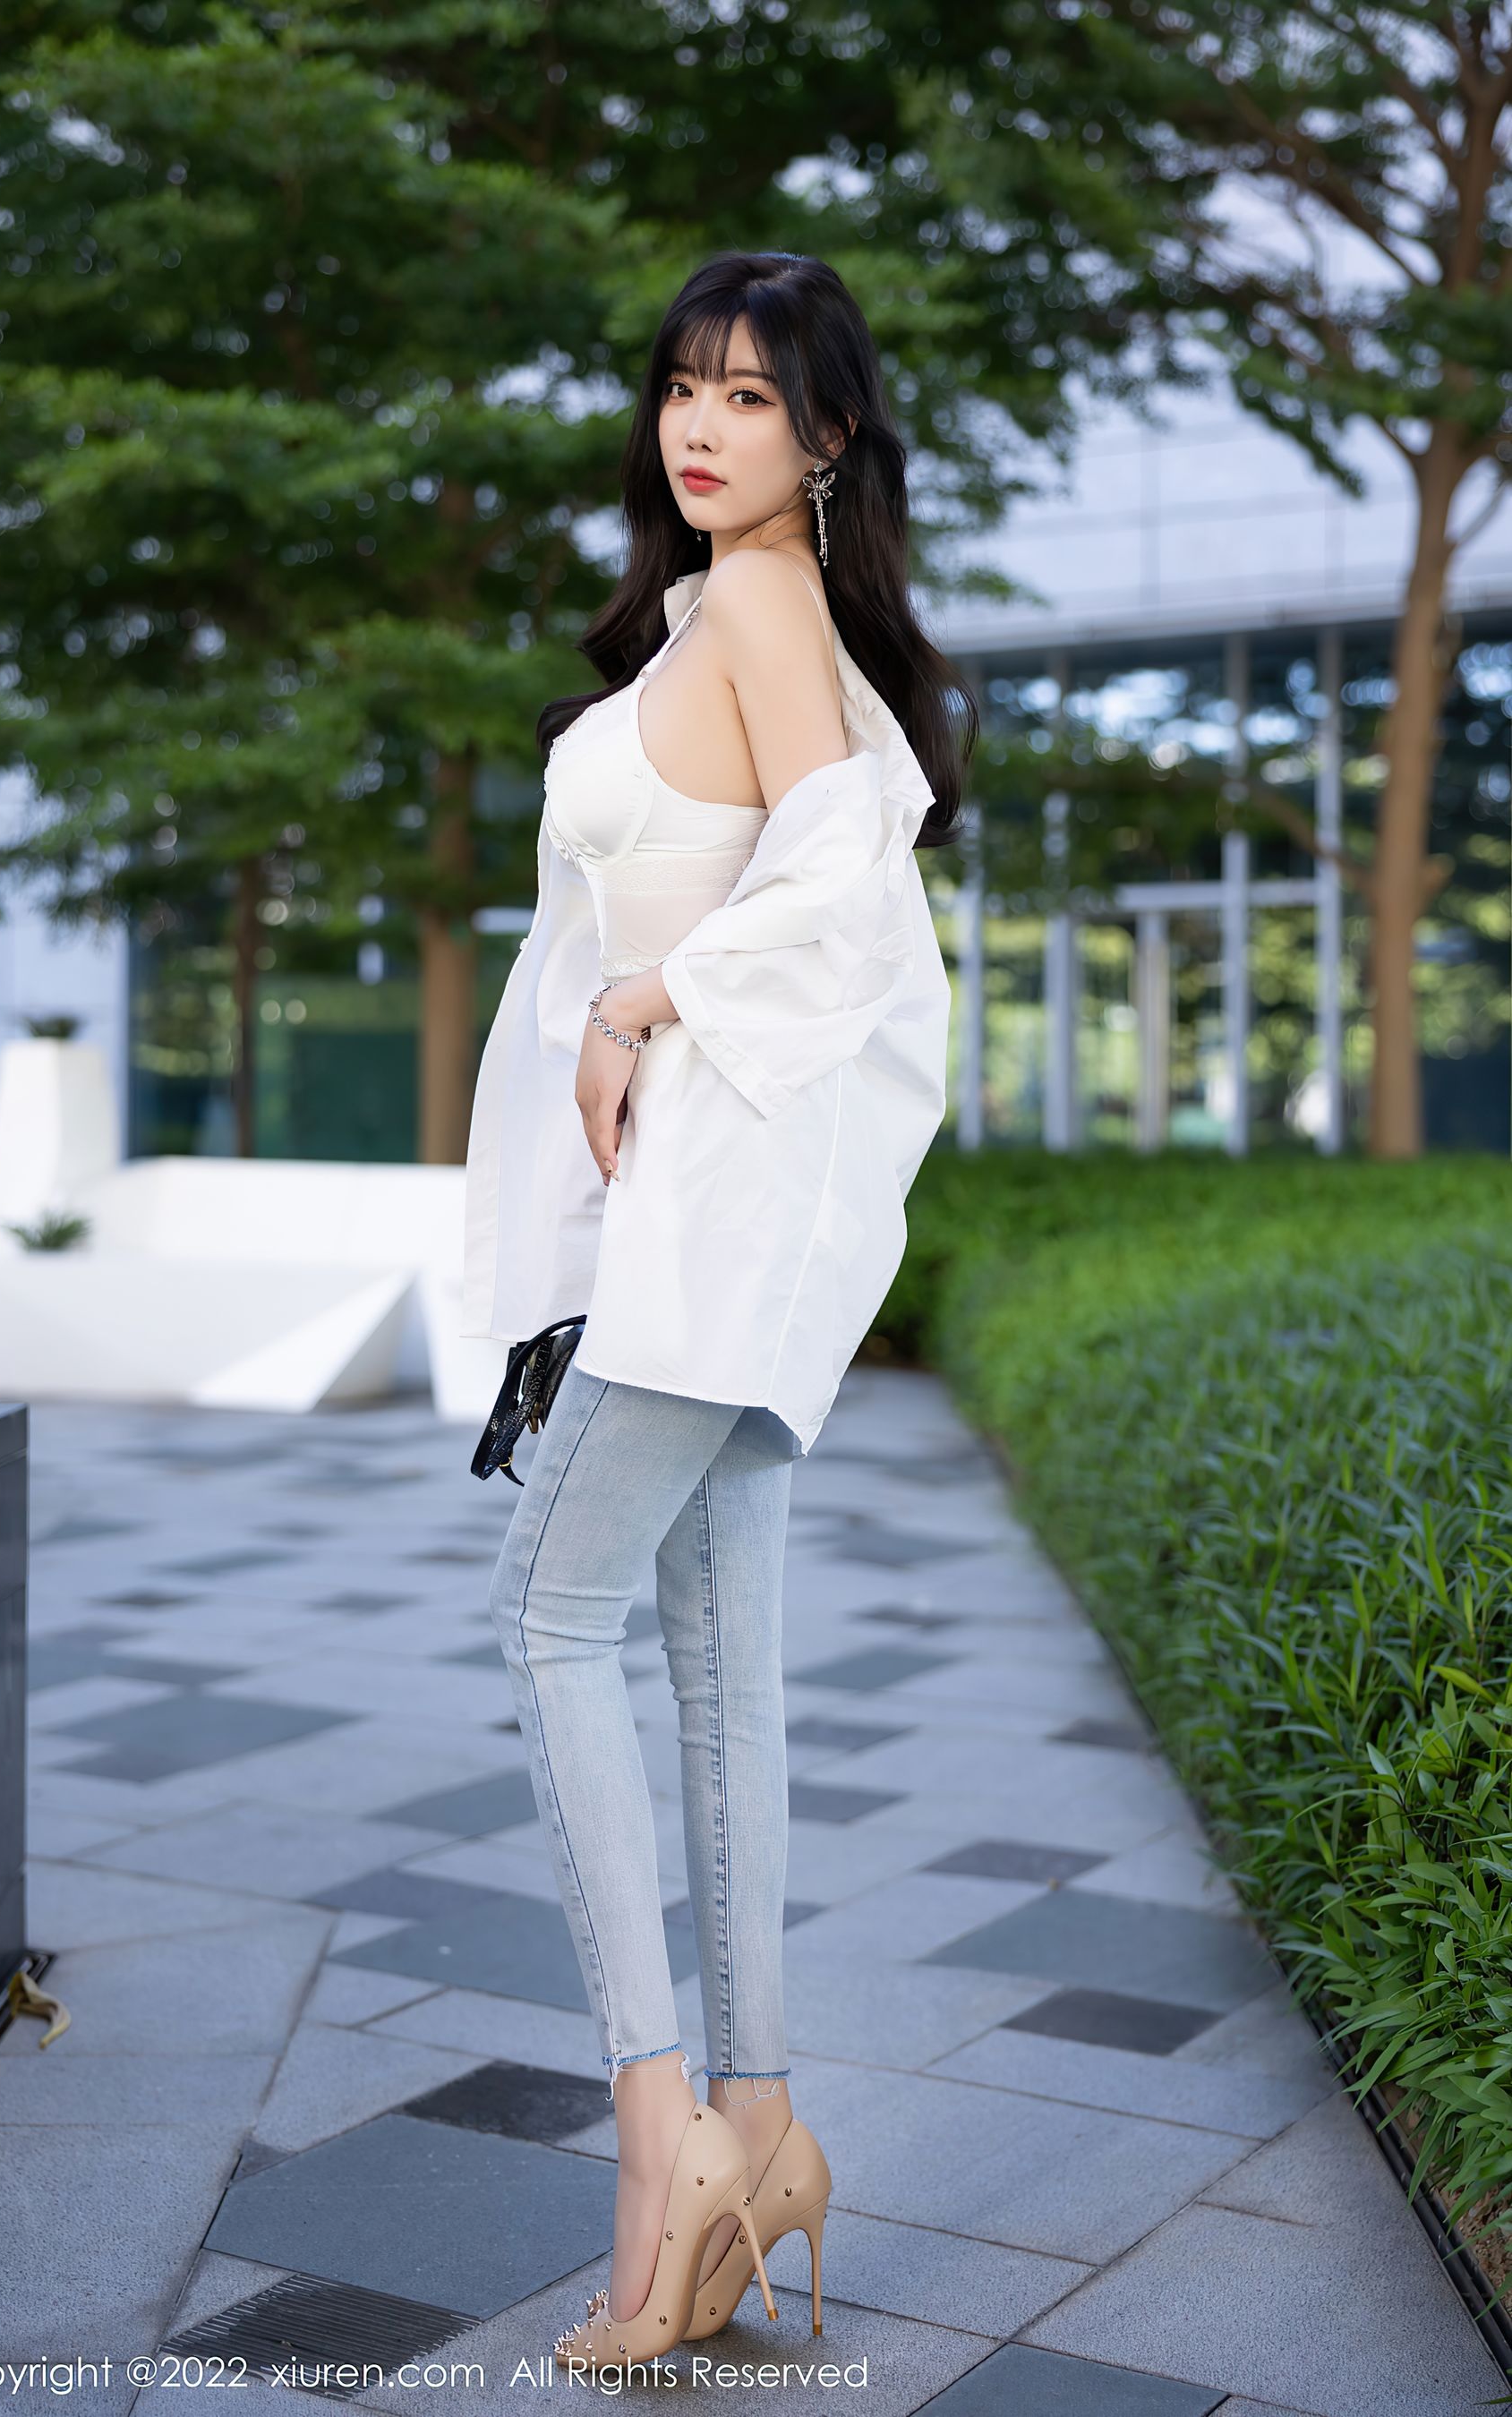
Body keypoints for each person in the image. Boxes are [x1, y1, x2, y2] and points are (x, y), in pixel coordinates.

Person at [460, 249, 976, 2371]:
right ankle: (757, 2129)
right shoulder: (723, 610)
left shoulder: (766, 603)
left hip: (705, 1227)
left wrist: (643, 996)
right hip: (691, 1226)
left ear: (828, 434)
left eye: (753, 396)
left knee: (546, 1613)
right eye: (686, 385)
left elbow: (855, 888)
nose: (703, 424)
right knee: (712, 1667)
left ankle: (659, 2140)